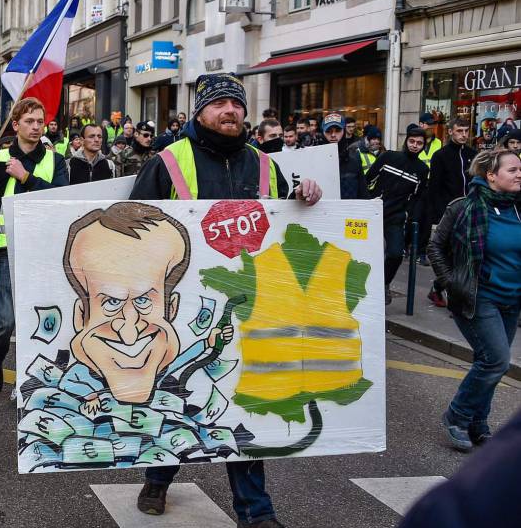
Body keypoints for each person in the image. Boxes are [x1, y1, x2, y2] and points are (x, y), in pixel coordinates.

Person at [130, 73, 321, 528]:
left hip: (248, 307)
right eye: (220, 104)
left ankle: (256, 512)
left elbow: (280, 223)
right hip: (184, 309)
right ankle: (159, 477)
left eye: (236, 103)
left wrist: (304, 196)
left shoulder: (264, 163)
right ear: (200, 112)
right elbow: (135, 226)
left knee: (240, 403)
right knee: (181, 397)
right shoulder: (169, 162)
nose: (230, 110)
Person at [428, 148, 520, 452]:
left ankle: (479, 423)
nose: (520, 174)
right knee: (495, 360)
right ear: (491, 176)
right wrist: (450, 282)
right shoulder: (464, 208)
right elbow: (435, 247)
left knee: (492, 364)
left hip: (512, 299)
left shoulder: (518, 209)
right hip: (478, 298)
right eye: (513, 169)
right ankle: (457, 416)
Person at [0, 97, 69, 390]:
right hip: (5, 250)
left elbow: (61, 199)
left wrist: (26, 177)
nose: (36, 127)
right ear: (16, 124)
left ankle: (37, 380)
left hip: (43, 249)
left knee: (44, 320)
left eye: (40, 122)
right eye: (29, 121)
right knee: (5, 321)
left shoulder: (54, 160)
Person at [366, 125, 430, 305]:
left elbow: (418, 198)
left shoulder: (422, 170)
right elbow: (368, 179)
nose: (415, 145)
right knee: (366, 253)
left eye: (419, 143)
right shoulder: (388, 157)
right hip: (374, 212)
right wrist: (369, 201)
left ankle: (383, 284)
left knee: (395, 254)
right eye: (412, 141)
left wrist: (409, 217)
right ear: (406, 141)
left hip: (396, 217)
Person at [425, 117, 477, 306]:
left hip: (470, 211)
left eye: (466, 131)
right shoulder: (441, 156)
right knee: (451, 254)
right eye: (459, 131)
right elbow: (434, 188)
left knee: (464, 255)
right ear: (450, 132)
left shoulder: (473, 154)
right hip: (449, 213)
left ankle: (441, 288)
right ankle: (449, 291)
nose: (463, 135)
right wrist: (438, 215)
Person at [321, 113, 369, 199]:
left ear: (343, 131)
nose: (333, 135)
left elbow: (363, 192)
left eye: (337, 131)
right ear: (323, 133)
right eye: (329, 131)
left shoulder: (354, 159)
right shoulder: (315, 160)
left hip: (350, 210)